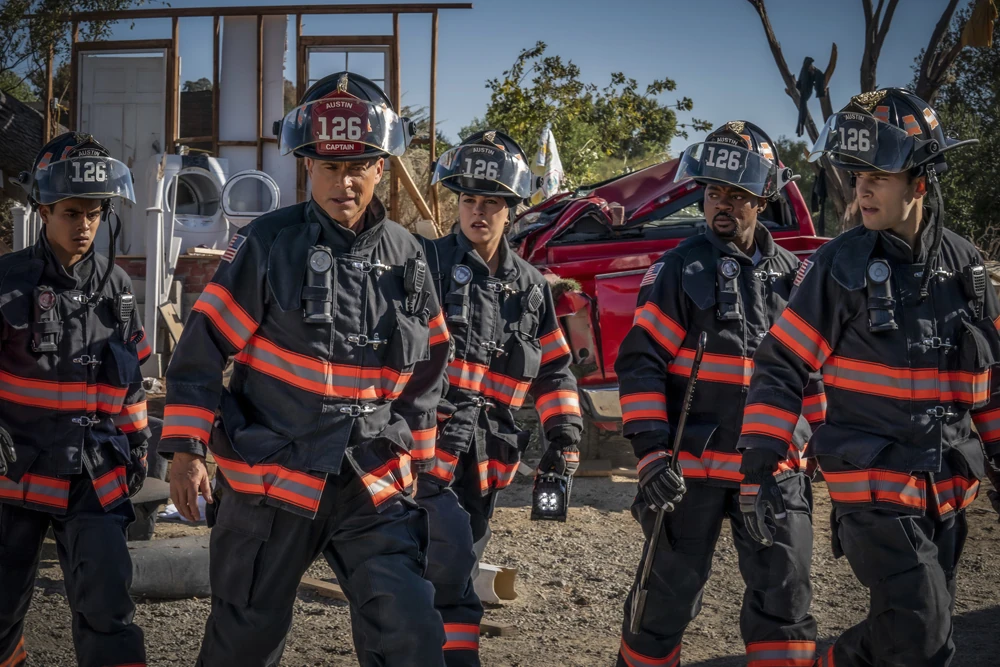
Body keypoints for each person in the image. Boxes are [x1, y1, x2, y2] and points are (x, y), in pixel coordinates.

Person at [159, 72, 451, 667]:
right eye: (330, 167)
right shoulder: (267, 244)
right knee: (244, 642)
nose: (345, 182)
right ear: (307, 166)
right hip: (273, 481)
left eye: (359, 166)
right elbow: (202, 349)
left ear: (381, 167)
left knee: (411, 631)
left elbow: (428, 368)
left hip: (371, 480)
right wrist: (186, 452)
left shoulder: (410, 255)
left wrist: (420, 463)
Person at [743, 87, 1000, 667]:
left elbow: (993, 381)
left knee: (922, 642)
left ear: (920, 183)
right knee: (921, 628)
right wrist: (762, 455)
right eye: (858, 176)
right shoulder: (838, 265)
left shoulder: (967, 266)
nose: (861, 190)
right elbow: (783, 362)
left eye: (878, 177)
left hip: (947, 492)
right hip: (873, 491)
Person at [615, 121, 821, 667]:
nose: (721, 204)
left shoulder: (795, 278)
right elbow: (640, 366)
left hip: (774, 473)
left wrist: (812, 448)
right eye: (712, 192)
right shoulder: (678, 270)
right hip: (690, 474)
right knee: (661, 606)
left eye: (736, 194)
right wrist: (651, 456)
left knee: (786, 606)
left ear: (762, 199)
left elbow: (811, 376)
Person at [416, 130, 582, 666]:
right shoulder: (424, 266)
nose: (478, 212)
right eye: (469, 199)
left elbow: (554, 369)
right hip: (425, 452)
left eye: (491, 202)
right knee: (442, 568)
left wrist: (564, 436)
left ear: (511, 210)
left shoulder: (531, 287)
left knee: (459, 569)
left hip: (489, 459)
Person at [0, 132, 150, 667]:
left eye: (94, 213)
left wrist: (138, 442)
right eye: (70, 213)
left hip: (94, 474)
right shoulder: (6, 282)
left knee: (108, 608)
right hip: (14, 474)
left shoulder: (117, 286)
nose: (84, 225)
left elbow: (131, 379)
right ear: (43, 211)